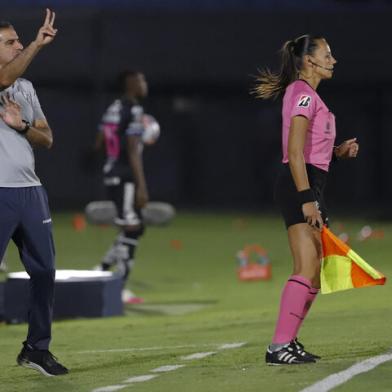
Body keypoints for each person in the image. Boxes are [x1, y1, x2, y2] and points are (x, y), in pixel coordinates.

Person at [254, 35, 359, 365]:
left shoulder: (309, 96)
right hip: (298, 186)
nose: (333, 60)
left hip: (310, 185)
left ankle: (288, 341)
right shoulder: (301, 94)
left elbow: (313, 150)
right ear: (310, 61)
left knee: (314, 271)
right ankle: (278, 347)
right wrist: (306, 199)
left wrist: (337, 153)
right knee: (306, 266)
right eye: (327, 54)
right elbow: (295, 152)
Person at [0, 10, 68, 375]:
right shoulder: (7, 78)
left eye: (19, 40)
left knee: (44, 272)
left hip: (30, 192)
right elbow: (4, 75)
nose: (19, 45)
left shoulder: (24, 88)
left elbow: (47, 138)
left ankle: (37, 349)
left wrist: (21, 125)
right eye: (10, 42)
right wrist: (39, 46)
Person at [94, 71, 150, 304]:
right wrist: (141, 186)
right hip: (125, 176)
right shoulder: (135, 110)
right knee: (132, 227)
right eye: (142, 80)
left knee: (133, 228)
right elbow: (132, 150)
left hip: (111, 172)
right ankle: (119, 285)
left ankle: (103, 268)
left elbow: (99, 142)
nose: (145, 85)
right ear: (131, 85)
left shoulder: (113, 108)